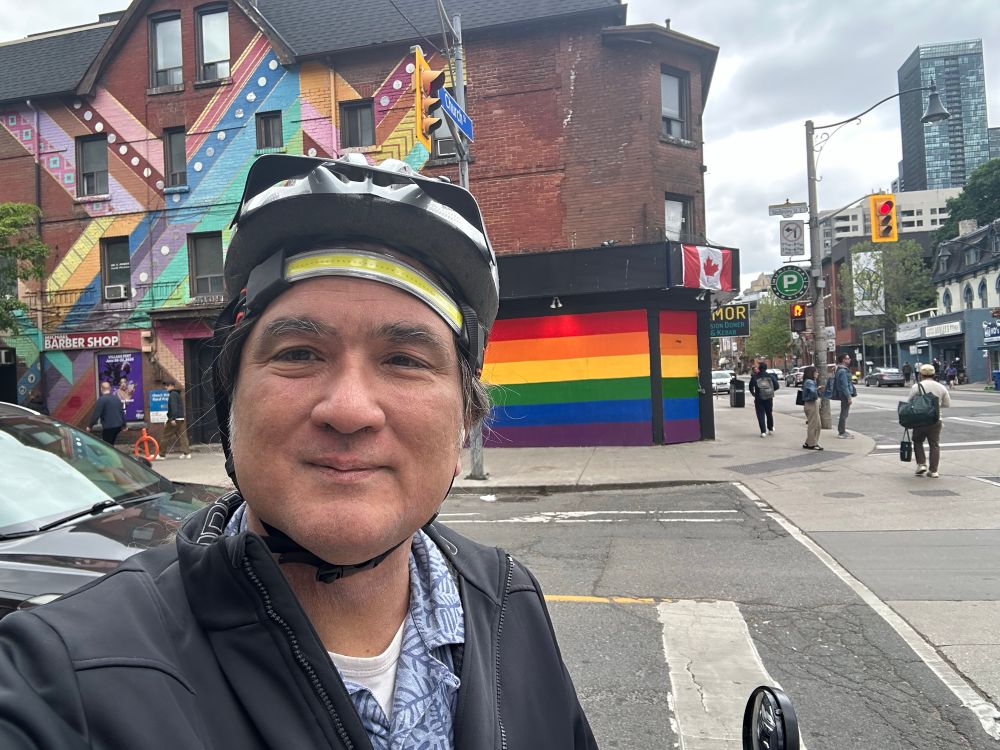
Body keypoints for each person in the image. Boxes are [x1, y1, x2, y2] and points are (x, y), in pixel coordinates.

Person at [0, 154, 597, 750]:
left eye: (405, 361)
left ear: (466, 417)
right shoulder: (61, 679)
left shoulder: (509, 604)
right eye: (299, 353)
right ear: (232, 393)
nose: (349, 409)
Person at [909, 363, 951, 478]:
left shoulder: (917, 387)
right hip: (936, 419)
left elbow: (910, 402)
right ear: (934, 374)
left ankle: (921, 464)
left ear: (921, 374)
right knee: (934, 444)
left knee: (917, 441)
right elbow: (947, 404)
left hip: (920, 419)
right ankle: (933, 471)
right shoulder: (941, 387)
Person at [158, 380, 192, 459]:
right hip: (181, 418)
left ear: (171, 386)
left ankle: (161, 455)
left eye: (166, 385)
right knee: (182, 436)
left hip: (175, 419)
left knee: (165, 436)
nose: (165, 387)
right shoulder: (176, 394)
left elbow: (174, 407)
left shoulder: (172, 395)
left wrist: (173, 418)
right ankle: (187, 453)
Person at [87, 380, 127, 445]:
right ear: (110, 389)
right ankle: (113, 453)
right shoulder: (116, 399)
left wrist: (90, 426)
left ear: (101, 389)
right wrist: (124, 425)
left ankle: (112, 454)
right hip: (118, 427)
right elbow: (121, 412)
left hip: (109, 427)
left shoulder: (101, 400)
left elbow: (96, 414)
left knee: (107, 446)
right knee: (111, 444)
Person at [749, 359, 778, 437]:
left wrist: (754, 394)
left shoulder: (755, 377)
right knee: (769, 413)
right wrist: (771, 390)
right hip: (769, 397)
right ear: (766, 368)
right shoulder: (770, 376)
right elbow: (777, 386)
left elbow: (750, 387)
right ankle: (770, 428)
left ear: (759, 368)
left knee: (760, 414)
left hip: (759, 397)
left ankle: (763, 431)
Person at [831, 353, 855, 439]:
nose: (849, 360)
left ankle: (842, 430)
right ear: (843, 360)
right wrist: (849, 397)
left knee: (844, 413)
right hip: (844, 395)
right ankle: (841, 432)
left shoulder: (840, 369)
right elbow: (844, 385)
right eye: (848, 358)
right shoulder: (843, 371)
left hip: (843, 394)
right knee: (844, 414)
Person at [800, 365, 822, 450]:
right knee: (815, 425)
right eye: (816, 372)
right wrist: (816, 391)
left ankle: (809, 442)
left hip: (809, 404)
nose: (817, 373)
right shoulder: (810, 382)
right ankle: (812, 444)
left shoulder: (807, 381)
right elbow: (812, 392)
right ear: (811, 373)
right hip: (811, 403)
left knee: (815, 424)